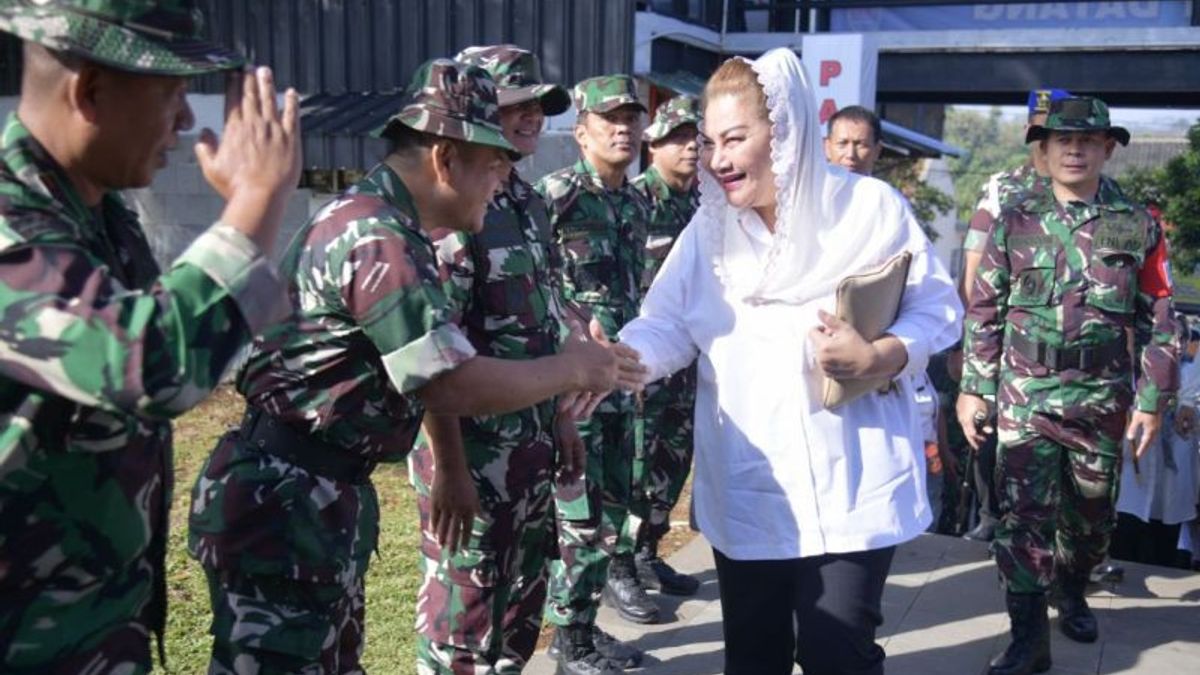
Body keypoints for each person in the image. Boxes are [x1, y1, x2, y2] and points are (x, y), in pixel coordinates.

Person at [187, 59, 642, 674]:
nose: (502, 178)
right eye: (493, 163)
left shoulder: (391, 223)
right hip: (285, 505)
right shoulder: (379, 237)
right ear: (445, 158)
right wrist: (574, 370)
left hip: (316, 493)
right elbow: (450, 382)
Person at [619, 49, 961, 675]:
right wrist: (621, 359)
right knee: (754, 656)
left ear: (784, 132)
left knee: (838, 653)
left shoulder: (870, 209)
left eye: (736, 138)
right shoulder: (709, 231)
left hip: (850, 483)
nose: (718, 159)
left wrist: (880, 354)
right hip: (751, 485)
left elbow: (940, 310)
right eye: (710, 141)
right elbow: (668, 323)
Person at [0, 1, 301, 671]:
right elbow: (147, 363)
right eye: (170, 92)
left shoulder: (96, 216)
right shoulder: (11, 220)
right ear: (90, 91)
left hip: (91, 630)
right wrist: (257, 200)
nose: (188, 119)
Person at [957, 96, 1179, 675]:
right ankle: (1028, 638)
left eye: (1087, 141)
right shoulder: (1016, 218)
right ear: (1045, 150)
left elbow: (1160, 315)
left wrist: (1152, 401)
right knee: (1021, 516)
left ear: (1107, 149)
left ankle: (1073, 590)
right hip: (1024, 396)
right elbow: (985, 310)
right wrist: (973, 389)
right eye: (1062, 140)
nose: (1074, 149)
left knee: (1091, 516)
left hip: (1101, 396)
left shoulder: (1138, 223)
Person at [409, 43, 580, 673]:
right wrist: (449, 471)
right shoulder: (454, 207)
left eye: (538, 103)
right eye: (516, 103)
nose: (533, 115)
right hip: (472, 462)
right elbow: (433, 359)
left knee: (517, 621)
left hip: (531, 454)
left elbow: (543, 325)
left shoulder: (528, 205)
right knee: (463, 629)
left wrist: (562, 417)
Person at [539, 74, 653, 674]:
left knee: (613, 509)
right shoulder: (554, 195)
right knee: (576, 515)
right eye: (610, 119)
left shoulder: (635, 202)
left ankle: (581, 627)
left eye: (632, 118)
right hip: (574, 389)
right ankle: (567, 643)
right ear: (581, 131)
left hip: (622, 384)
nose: (624, 128)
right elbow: (531, 286)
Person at [956, 88, 1071, 543]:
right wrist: (975, 348)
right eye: (1038, 123)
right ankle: (990, 515)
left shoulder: (1090, 187)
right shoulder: (1003, 186)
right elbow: (973, 268)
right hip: (1008, 340)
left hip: (1071, 346)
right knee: (989, 428)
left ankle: (1071, 540)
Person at [617, 94, 703, 598]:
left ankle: (649, 551)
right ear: (653, 146)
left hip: (688, 362)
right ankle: (620, 562)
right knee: (635, 462)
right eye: (678, 137)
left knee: (673, 460)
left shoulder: (703, 206)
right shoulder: (634, 202)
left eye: (696, 138)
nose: (690, 146)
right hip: (645, 358)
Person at [1111, 314, 1199, 568]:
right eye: (1172, 339)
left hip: (1171, 490)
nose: (1178, 345)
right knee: (1126, 546)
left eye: (1183, 338)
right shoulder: (1134, 377)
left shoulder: (1192, 380)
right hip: (1133, 484)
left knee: (1164, 551)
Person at [824, 104, 882, 177]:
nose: (850, 154)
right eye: (842, 144)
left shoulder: (881, 188)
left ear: (877, 150)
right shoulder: (810, 187)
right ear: (827, 147)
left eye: (861, 145)